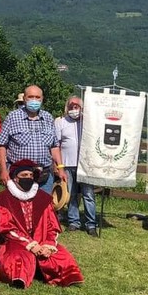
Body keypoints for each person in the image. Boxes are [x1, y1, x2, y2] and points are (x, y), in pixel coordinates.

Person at [0, 160, 84, 288]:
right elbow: (6, 229)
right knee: (18, 257)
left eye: (31, 176)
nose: (28, 178)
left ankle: (65, 276)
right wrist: (30, 245)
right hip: (15, 242)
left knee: (61, 256)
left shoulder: (44, 199)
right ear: (15, 178)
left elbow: (51, 227)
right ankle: (20, 279)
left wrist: (48, 245)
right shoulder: (3, 199)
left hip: (42, 241)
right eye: (24, 176)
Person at [0, 85, 66, 194]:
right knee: (18, 209)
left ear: (42, 99)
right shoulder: (12, 117)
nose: (34, 100)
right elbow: (2, 146)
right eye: (31, 97)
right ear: (24, 99)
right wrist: (3, 170)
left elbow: (54, 146)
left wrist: (61, 168)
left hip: (44, 176)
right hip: (19, 175)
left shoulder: (48, 117)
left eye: (37, 97)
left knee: (42, 208)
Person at [54, 95, 97, 236]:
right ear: (68, 107)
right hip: (67, 164)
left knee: (88, 195)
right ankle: (74, 221)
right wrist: (58, 165)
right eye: (71, 106)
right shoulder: (60, 122)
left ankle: (91, 224)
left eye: (77, 106)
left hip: (85, 165)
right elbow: (56, 144)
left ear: (81, 108)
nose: (74, 108)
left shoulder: (88, 122)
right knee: (71, 194)